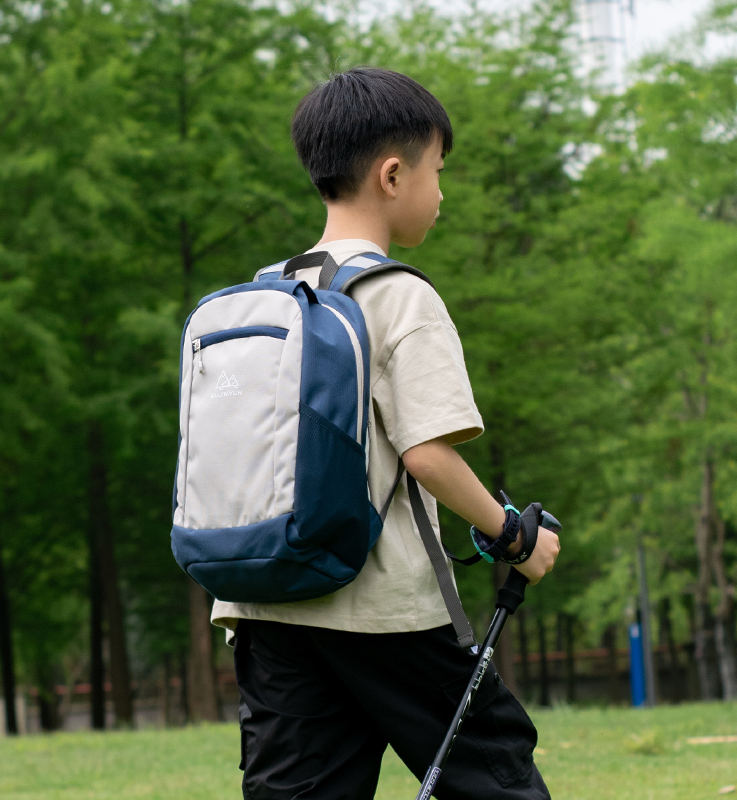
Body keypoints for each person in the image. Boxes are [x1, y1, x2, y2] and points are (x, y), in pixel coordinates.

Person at [211, 67, 561, 800]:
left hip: (264, 600)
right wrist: (514, 536)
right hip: (383, 608)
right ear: (394, 174)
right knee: (493, 774)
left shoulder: (264, 290)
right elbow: (428, 455)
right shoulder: (399, 295)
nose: (442, 192)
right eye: (439, 171)